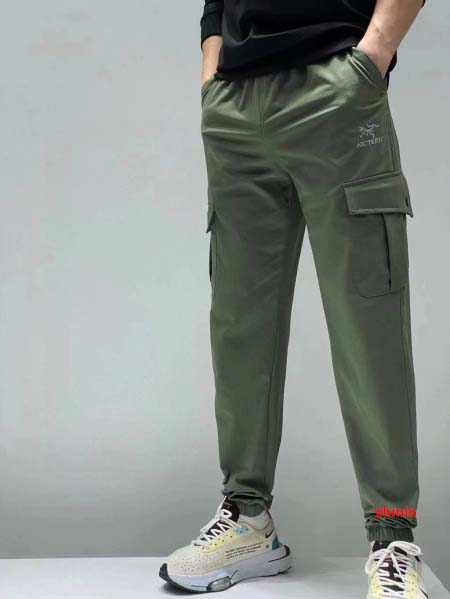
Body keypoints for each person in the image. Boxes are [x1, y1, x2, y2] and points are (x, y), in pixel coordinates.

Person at [160, 1, 428, 596]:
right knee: (239, 325)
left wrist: (374, 54)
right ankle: (248, 516)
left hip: (336, 88)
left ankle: (392, 536)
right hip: (235, 103)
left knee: (367, 323)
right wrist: (212, 75)